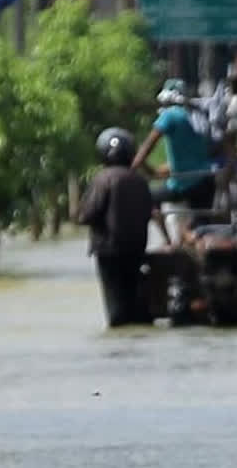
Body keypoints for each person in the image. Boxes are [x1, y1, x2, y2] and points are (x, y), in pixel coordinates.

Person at [78, 127, 170, 327]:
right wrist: (168, 240)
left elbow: (86, 215)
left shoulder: (102, 179)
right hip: (136, 250)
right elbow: (152, 213)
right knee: (134, 303)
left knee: (116, 311)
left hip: (108, 252)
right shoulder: (140, 181)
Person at [131, 79, 218, 240]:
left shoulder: (170, 115)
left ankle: (168, 241)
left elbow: (148, 145)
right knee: (202, 228)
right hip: (206, 181)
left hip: (183, 183)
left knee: (147, 199)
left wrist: (134, 167)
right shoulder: (197, 113)